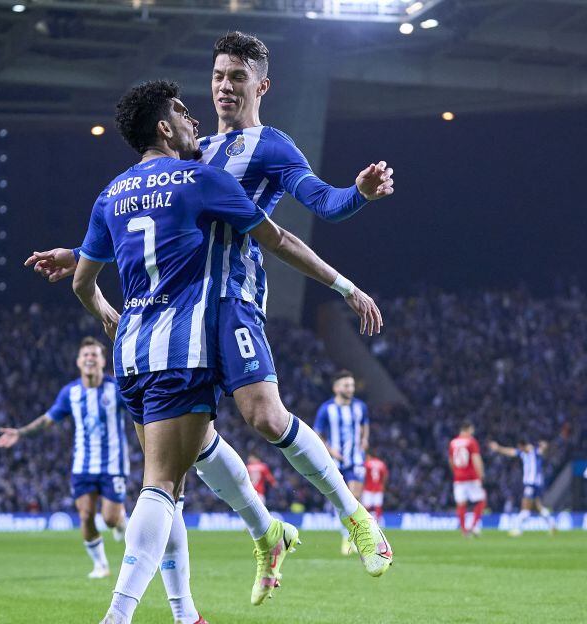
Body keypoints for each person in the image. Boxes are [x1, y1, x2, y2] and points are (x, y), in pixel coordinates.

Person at [26, 31, 395, 584]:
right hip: (181, 313)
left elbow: (323, 203)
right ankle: (262, 536)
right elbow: (160, 222)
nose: (224, 87)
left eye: (237, 77)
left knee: (265, 417)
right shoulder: (193, 152)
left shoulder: (271, 146)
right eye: (219, 76)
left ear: (261, 85)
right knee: (190, 446)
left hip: (235, 300)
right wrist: (79, 253)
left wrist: (358, 195)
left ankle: (354, 516)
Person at [0, 337, 129, 579]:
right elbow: (48, 420)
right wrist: (21, 432)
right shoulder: (71, 393)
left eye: (94, 355)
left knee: (109, 519)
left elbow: (139, 412)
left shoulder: (116, 389)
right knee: (86, 515)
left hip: (113, 464)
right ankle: (101, 565)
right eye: (85, 355)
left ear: (102, 361)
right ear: (78, 362)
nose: (89, 358)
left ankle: (120, 522)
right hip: (83, 465)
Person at [314, 370, 369, 554]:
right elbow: (317, 434)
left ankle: (354, 538)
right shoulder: (326, 409)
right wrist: (331, 450)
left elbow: (365, 425)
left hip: (356, 460)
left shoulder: (360, 407)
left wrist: (364, 440)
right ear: (336, 388)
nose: (350, 389)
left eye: (352, 385)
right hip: (335, 462)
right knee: (343, 502)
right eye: (346, 385)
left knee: (355, 498)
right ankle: (347, 536)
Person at [489, 440, 555, 536]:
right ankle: (552, 525)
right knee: (538, 506)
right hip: (535, 484)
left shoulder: (534, 451)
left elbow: (543, 448)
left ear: (522, 446)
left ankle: (517, 528)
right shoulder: (524, 453)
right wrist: (498, 448)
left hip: (531, 484)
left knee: (525, 507)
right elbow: (511, 451)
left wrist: (544, 445)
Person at [448, 422, 486, 537]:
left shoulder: (453, 443)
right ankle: (474, 526)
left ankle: (464, 530)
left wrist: (455, 472)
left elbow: (451, 461)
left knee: (461, 503)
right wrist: (481, 475)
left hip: (458, 478)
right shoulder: (471, 441)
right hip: (471, 476)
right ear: (468, 429)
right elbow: (476, 459)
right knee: (481, 500)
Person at [362, 450, 388, 526]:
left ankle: (366, 524)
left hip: (368, 488)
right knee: (378, 507)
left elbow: (363, 475)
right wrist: (382, 484)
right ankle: (378, 524)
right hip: (378, 488)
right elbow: (385, 475)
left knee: (366, 507)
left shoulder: (367, 464)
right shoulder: (381, 464)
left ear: (369, 456)